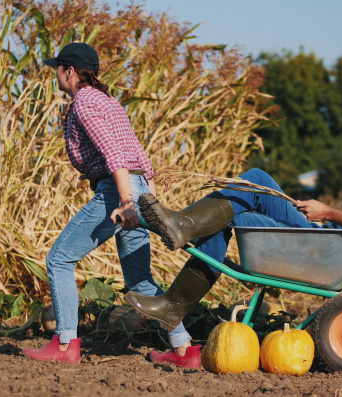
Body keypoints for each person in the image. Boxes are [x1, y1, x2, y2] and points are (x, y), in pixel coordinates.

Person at [124, 123, 342, 333]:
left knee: (234, 216)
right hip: (332, 241)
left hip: (325, 246)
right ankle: (181, 232)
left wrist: (327, 211)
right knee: (256, 180)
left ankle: (175, 295)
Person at [22, 43, 198, 367]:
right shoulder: (108, 101)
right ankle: (184, 348)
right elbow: (141, 158)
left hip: (116, 193)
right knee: (139, 280)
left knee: (59, 260)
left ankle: (64, 345)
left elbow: (114, 157)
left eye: (57, 69)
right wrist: (149, 202)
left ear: (69, 71)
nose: (56, 75)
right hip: (137, 187)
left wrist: (129, 204)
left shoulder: (85, 103)